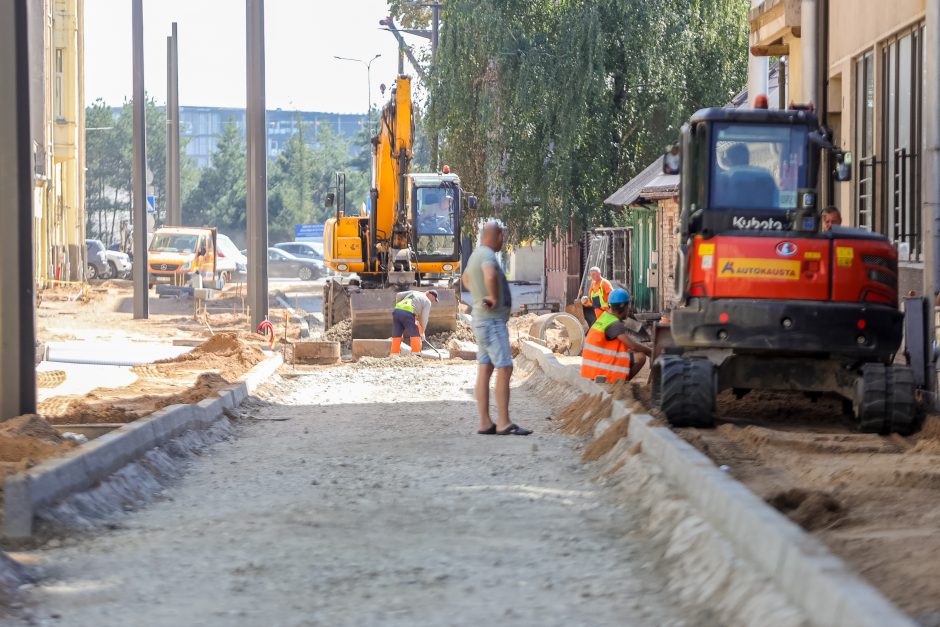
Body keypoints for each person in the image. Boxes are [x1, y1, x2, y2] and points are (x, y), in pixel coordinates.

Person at [462, 219, 532, 436]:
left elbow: (465, 279)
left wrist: (477, 294)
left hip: (481, 320)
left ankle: (484, 422)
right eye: (501, 235)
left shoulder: (475, 254)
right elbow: (490, 274)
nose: (503, 240)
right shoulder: (487, 256)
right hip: (491, 321)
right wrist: (491, 296)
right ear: (496, 236)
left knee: (485, 368)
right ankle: (503, 422)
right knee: (505, 367)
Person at [581, 288, 652, 383]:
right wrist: (651, 352)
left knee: (631, 352)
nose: (629, 310)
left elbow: (625, 346)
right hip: (600, 368)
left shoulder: (605, 317)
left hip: (591, 367)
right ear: (624, 307)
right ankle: (622, 385)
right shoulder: (614, 324)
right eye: (628, 307)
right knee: (641, 357)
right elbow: (633, 345)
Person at [392, 289, 438, 354]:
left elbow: (398, 295)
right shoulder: (427, 301)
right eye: (434, 299)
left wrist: (399, 307)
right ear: (431, 295)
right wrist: (422, 332)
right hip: (409, 312)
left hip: (397, 311)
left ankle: (394, 355)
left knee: (397, 335)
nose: (433, 301)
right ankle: (416, 356)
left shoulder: (414, 292)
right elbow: (424, 318)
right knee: (416, 335)